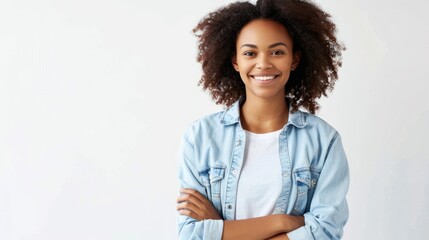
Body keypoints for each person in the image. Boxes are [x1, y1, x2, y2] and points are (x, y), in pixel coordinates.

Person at [176, 0, 349, 239]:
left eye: (277, 52)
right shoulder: (200, 138)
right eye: (250, 53)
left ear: (294, 59)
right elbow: (191, 234)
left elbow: (325, 232)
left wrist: (219, 228)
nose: (264, 63)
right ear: (236, 61)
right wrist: (282, 222)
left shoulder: (324, 141)